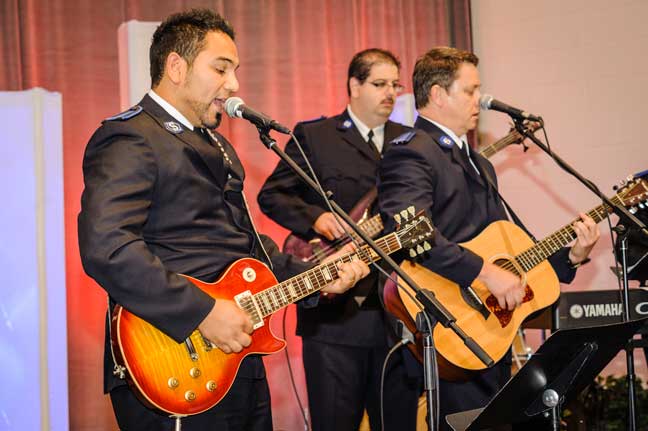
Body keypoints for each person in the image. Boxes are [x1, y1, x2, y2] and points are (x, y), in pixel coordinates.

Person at [77, 9, 368, 431]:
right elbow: (107, 247)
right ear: (175, 66)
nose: (233, 85)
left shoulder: (220, 148)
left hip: (236, 359)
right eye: (220, 68)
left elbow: (247, 249)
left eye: (235, 71)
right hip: (173, 361)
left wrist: (318, 277)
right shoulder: (131, 136)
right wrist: (202, 312)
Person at [376, 47, 600, 430]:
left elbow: (511, 251)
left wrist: (572, 257)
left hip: (489, 328)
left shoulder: (477, 163)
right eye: (470, 90)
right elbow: (412, 234)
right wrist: (484, 273)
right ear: (438, 95)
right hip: (448, 326)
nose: (479, 99)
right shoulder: (411, 152)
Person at [257, 48, 421, 431]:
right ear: (354, 85)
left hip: (399, 312)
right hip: (334, 317)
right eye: (379, 84)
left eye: (395, 85)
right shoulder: (315, 136)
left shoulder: (411, 141)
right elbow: (272, 195)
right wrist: (316, 217)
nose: (390, 93)